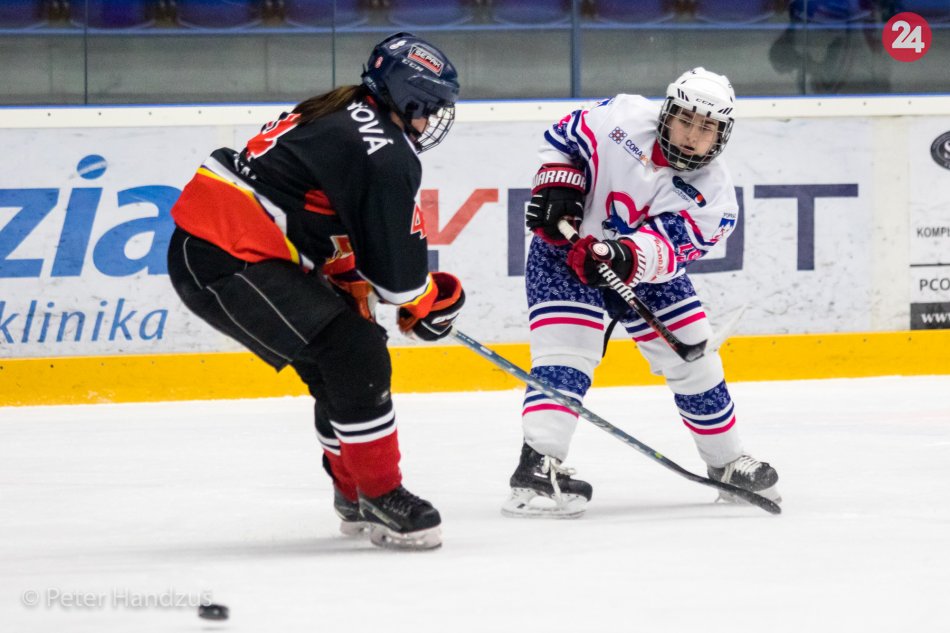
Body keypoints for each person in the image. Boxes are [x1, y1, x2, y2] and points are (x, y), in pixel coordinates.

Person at [166, 32, 466, 550]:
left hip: (223, 247)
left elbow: (316, 218)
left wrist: (359, 283)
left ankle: (354, 492)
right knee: (353, 350)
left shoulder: (341, 110)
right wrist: (426, 301)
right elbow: (397, 279)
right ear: (410, 98)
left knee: (341, 359)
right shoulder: (386, 153)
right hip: (227, 257)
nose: (431, 120)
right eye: (431, 108)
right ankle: (381, 493)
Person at [503, 68, 780, 518]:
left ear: (722, 135)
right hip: (563, 253)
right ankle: (538, 469)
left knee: (695, 357)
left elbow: (668, 249)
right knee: (566, 356)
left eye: (707, 128)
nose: (693, 136)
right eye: (686, 120)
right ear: (667, 114)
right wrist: (557, 184)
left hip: (644, 273)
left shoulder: (714, 197)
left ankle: (727, 463)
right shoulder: (620, 118)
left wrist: (623, 255)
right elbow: (563, 138)